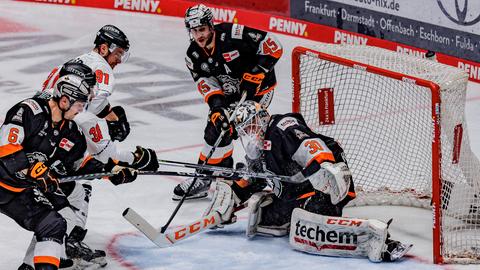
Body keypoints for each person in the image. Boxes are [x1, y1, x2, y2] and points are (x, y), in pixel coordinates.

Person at [203, 101, 412, 262]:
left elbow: (311, 146)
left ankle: (373, 238)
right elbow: (254, 177)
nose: (249, 135)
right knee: (264, 220)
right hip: (297, 192)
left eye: (250, 127)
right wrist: (232, 198)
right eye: (244, 132)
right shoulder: (259, 151)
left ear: (261, 119)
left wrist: (324, 167)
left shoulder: (281, 127)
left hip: (324, 185)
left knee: (306, 231)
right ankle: (305, 216)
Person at [17, 61, 158, 268]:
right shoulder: (79, 117)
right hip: (25, 175)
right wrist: (135, 159)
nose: (90, 96)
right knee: (68, 202)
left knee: (72, 190)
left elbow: (80, 161)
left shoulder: (50, 98)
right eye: (87, 90)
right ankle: (68, 243)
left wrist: (110, 169)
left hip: (32, 167)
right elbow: (105, 155)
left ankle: (56, 248)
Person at [173, 4, 283, 200]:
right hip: (230, 95)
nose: (198, 35)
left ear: (210, 26)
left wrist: (257, 73)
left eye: (202, 29)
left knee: (250, 130)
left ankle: (260, 173)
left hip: (258, 91)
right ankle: (216, 173)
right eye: (194, 31)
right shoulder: (193, 56)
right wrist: (216, 107)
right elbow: (206, 83)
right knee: (218, 126)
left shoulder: (233, 34)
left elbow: (273, 45)